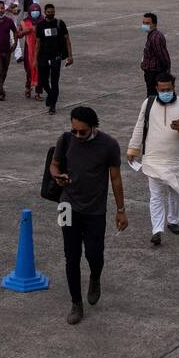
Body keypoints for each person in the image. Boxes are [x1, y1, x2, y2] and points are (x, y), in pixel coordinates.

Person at [49, 106, 127, 325]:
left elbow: (116, 179)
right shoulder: (65, 140)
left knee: (94, 254)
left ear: (94, 127)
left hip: (95, 210)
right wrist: (58, 177)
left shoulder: (109, 145)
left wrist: (121, 211)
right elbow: (53, 166)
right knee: (71, 256)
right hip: (67, 207)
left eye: (82, 132)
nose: (77, 136)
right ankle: (76, 303)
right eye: (74, 131)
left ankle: (94, 276)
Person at [126, 73, 179, 245]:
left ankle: (173, 221)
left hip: (176, 160)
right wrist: (133, 148)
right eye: (162, 90)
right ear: (156, 89)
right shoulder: (148, 103)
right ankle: (157, 230)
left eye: (169, 89)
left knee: (175, 193)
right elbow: (140, 126)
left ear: (174, 87)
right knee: (156, 196)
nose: (166, 92)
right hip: (153, 159)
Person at [35, 2, 73, 115]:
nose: (51, 14)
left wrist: (70, 56)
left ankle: (52, 105)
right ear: (44, 13)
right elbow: (37, 43)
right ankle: (51, 95)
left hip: (56, 56)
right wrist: (35, 59)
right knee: (43, 80)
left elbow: (67, 40)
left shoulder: (60, 24)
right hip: (43, 56)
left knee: (54, 81)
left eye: (52, 12)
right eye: (48, 12)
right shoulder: (40, 25)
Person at [140, 12, 171, 97]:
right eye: (143, 23)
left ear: (154, 24)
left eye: (147, 23)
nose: (144, 25)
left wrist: (166, 70)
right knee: (151, 95)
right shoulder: (151, 35)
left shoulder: (156, 37)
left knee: (152, 96)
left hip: (154, 73)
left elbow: (163, 56)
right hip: (150, 72)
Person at [19, 2, 42, 99]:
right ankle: (28, 88)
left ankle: (38, 93)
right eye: (33, 11)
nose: (35, 12)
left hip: (41, 49)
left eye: (37, 11)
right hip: (29, 50)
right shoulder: (25, 22)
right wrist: (26, 31)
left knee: (40, 71)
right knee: (29, 70)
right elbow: (18, 34)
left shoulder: (43, 21)